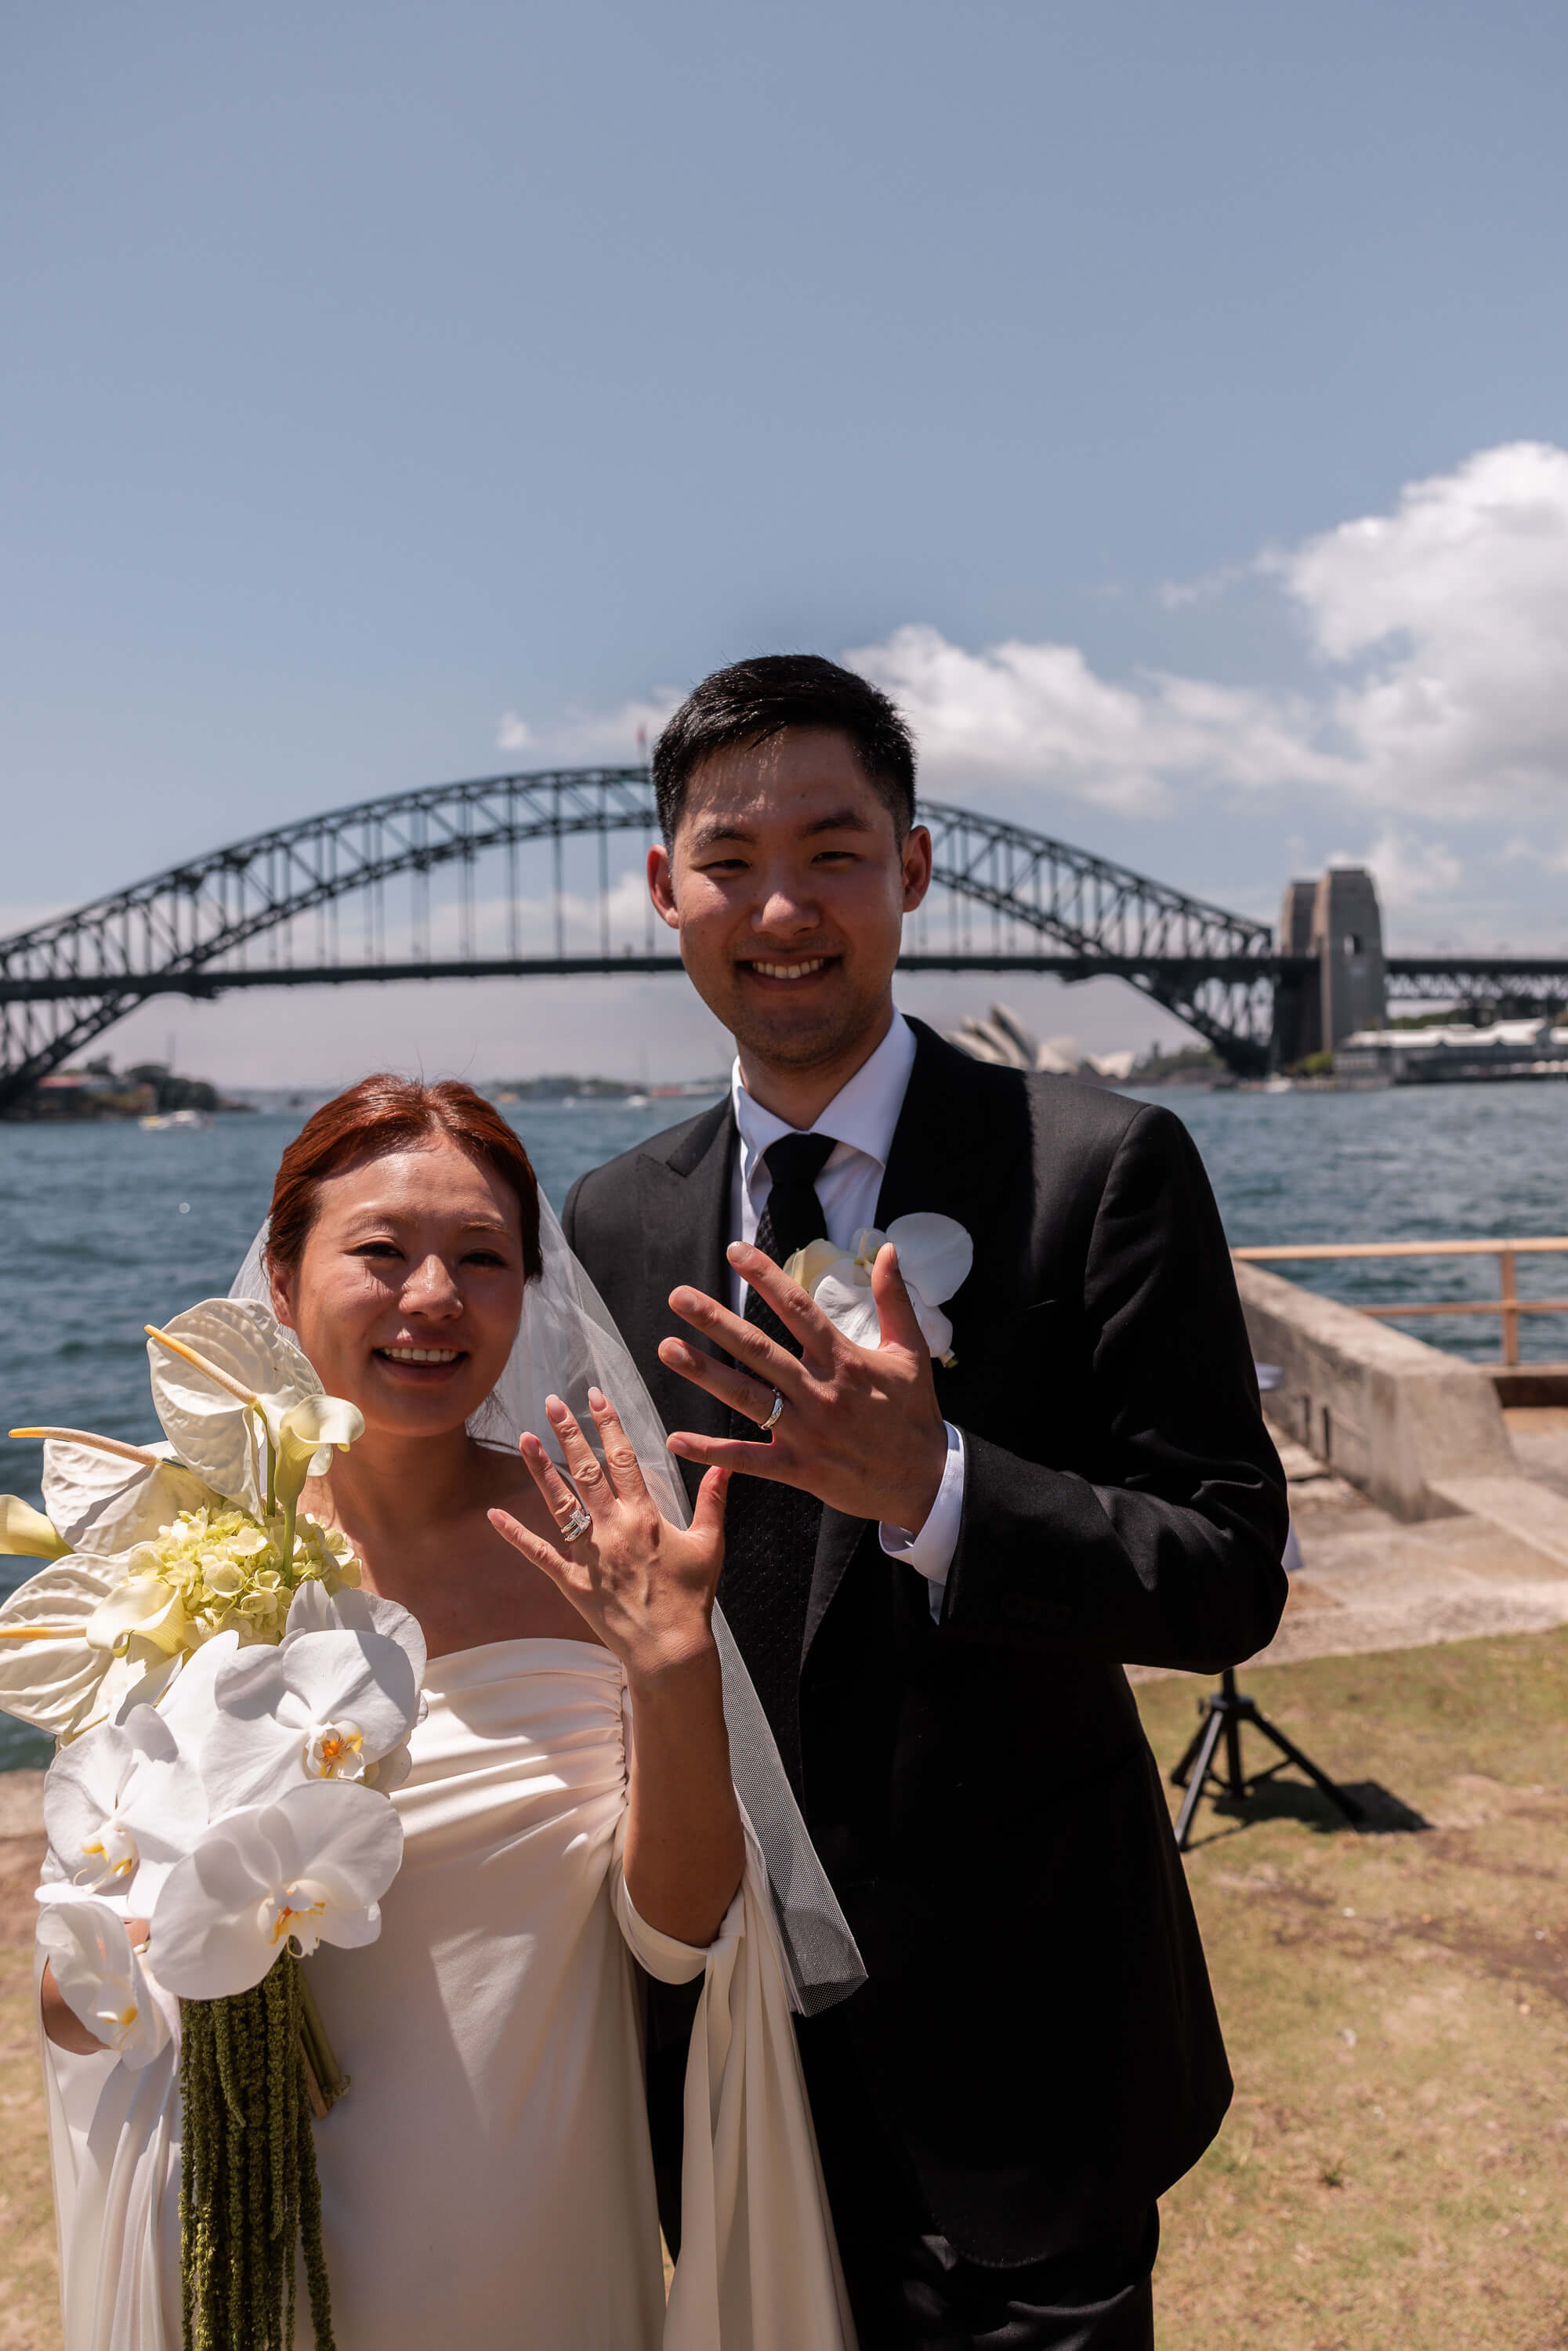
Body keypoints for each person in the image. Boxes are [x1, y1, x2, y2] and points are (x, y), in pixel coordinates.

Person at [563, 655, 1291, 2350]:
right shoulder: (609, 1221)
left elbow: (1226, 1573)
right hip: (731, 2050)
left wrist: (941, 1489)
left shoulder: (1096, 1164)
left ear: (912, 868)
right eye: (729, 860)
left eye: (832, 851)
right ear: (663, 888)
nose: (782, 906)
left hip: (1026, 2043)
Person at [34, 1075, 856, 2351]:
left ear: (530, 1290)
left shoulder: (598, 1550)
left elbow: (680, 1935)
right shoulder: (173, 1559)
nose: (433, 1298)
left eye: (483, 1258)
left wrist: (671, 1662)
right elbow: (68, 2000)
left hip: (520, 2226)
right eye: (380, 1251)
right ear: (285, 1271)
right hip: (241, 2218)